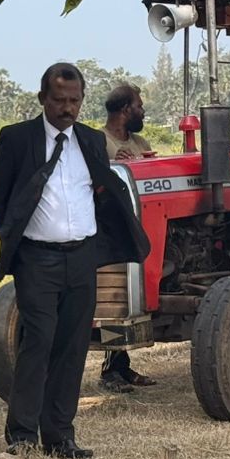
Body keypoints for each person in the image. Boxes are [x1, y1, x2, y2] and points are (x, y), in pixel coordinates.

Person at [0, 62, 150, 458]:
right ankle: (23, 438)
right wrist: (18, 243)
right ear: (43, 98)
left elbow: (102, 191)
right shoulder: (18, 138)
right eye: (59, 100)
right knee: (37, 342)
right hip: (36, 258)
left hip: (81, 258)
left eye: (74, 101)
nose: (67, 108)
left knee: (73, 346)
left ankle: (60, 437)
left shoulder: (91, 141)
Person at [99, 83, 156, 393]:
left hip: (142, 225)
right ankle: (110, 371)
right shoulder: (101, 144)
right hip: (113, 230)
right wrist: (115, 166)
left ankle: (122, 368)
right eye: (139, 106)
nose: (142, 111)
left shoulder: (140, 142)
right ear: (124, 111)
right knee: (116, 296)